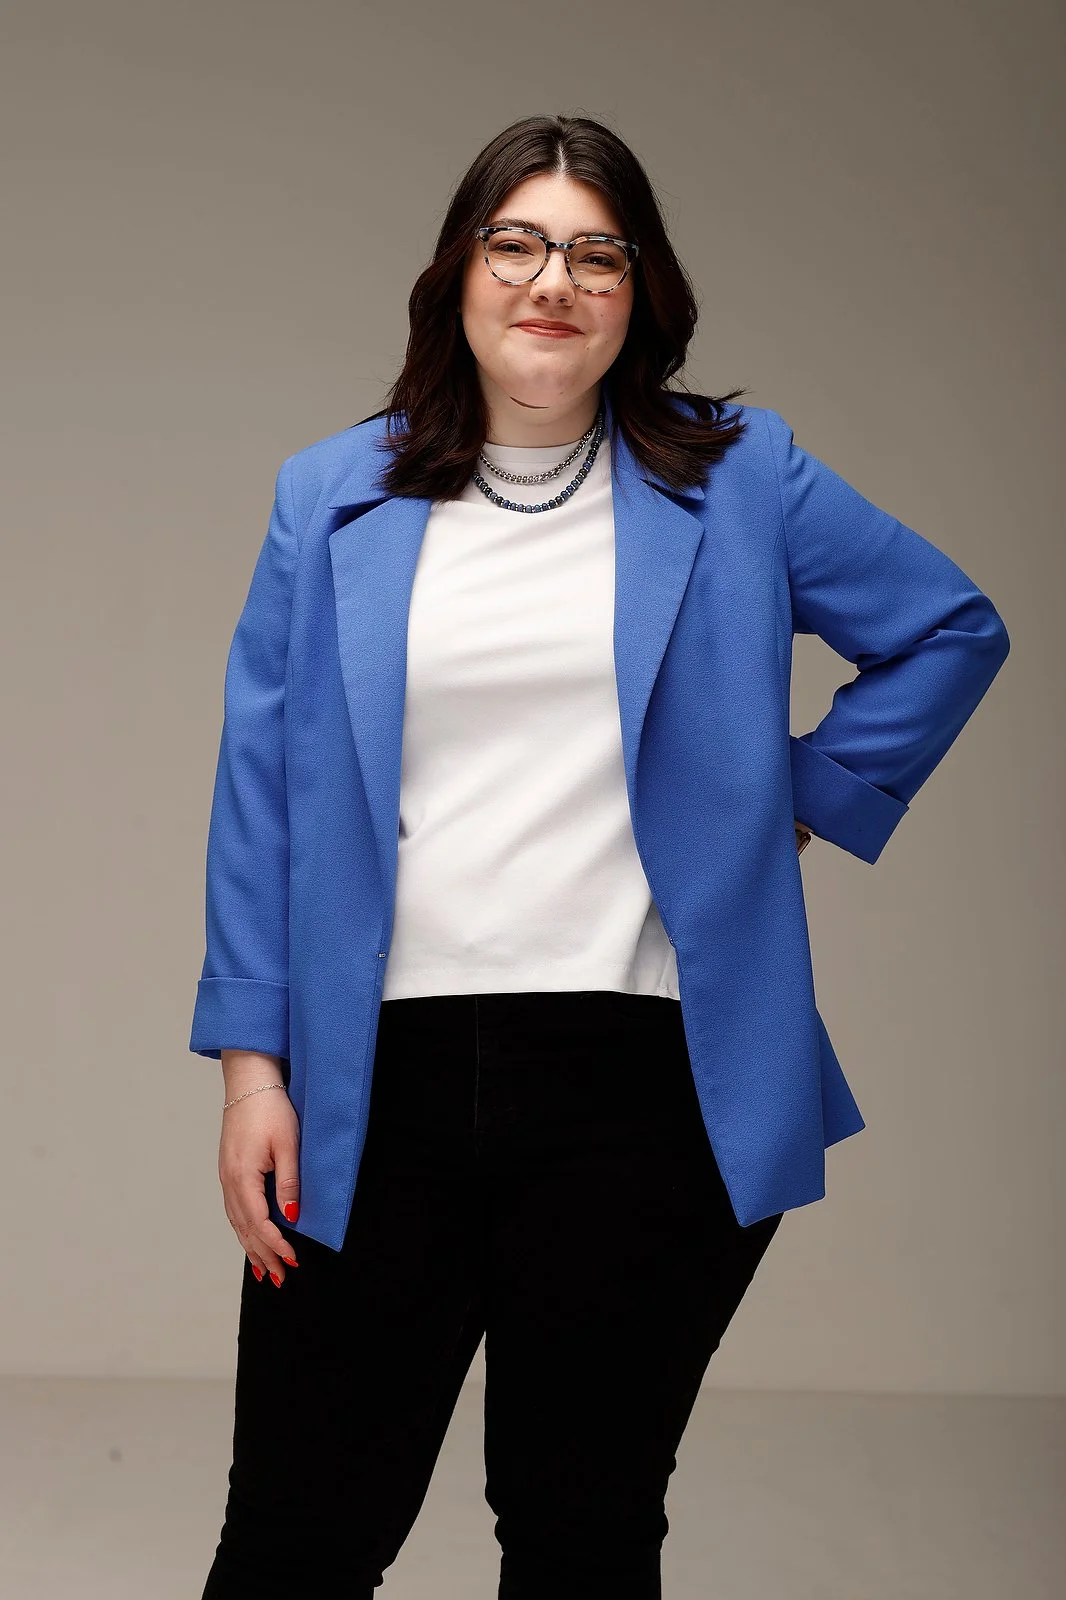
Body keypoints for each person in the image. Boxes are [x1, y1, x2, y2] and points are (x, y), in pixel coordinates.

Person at [190, 114, 1010, 1598]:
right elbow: (261, 790)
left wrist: (796, 799)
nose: (549, 280)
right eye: (515, 243)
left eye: (592, 251)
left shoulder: (742, 478)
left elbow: (948, 628)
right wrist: (254, 1070)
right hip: (377, 1080)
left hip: (647, 1086)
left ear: (639, 290)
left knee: (581, 1534)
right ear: (458, 274)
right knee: (299, 1535)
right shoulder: (333, 496)